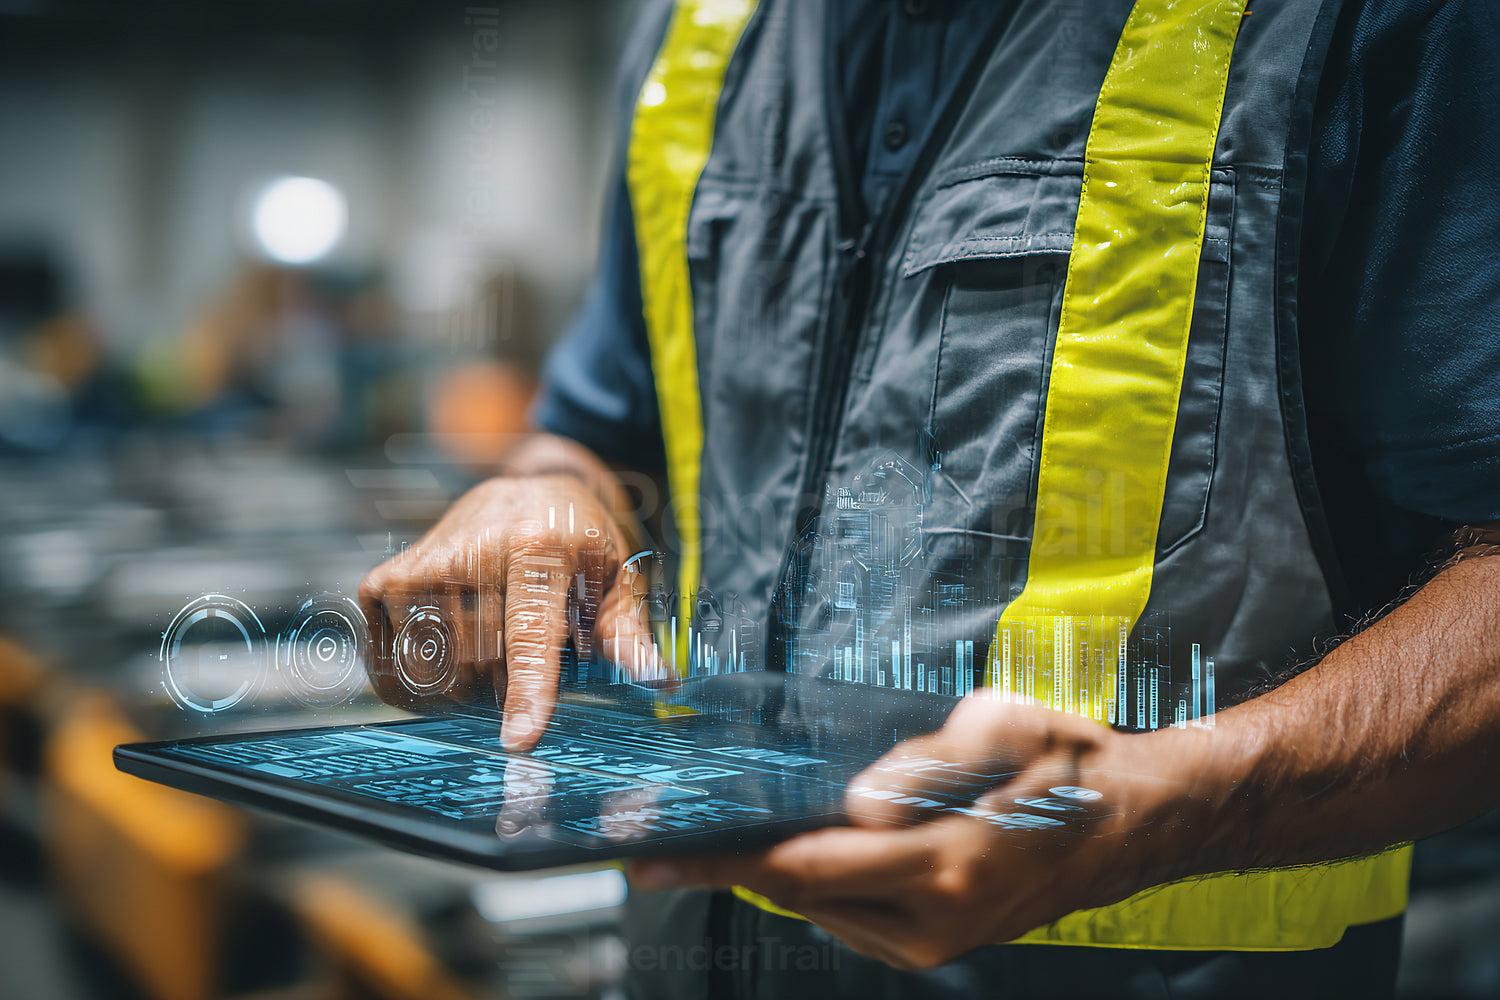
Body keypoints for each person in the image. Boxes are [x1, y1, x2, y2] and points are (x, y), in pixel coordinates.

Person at [358, 0, 1500, 995]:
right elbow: (603, 429)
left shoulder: (1362, 23)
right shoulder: (701, 35)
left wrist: (1164, 804)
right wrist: (537, 492)